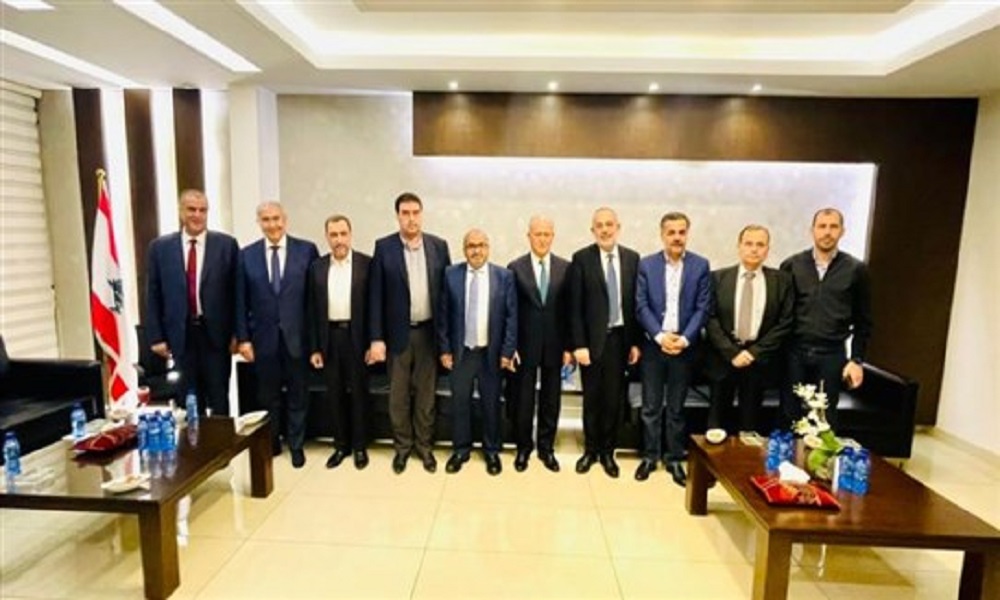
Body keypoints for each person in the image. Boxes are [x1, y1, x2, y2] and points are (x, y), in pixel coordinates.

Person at [369, 192, 451, 474]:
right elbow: (376, 297)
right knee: (398, 397)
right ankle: (402, 448)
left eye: (416, 212)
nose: (411, 218)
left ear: (422, 214)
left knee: (426, 396)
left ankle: (424, 447)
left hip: (429, 334)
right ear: (398, 216)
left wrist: (446, 340)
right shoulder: (384, 247)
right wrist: (376, 338)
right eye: (405, 213)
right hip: (397, 335)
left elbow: (446, 297)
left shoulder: (439, 246)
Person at [236, 201, 319, 468]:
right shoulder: (246, 255)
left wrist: (315, 342)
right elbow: (240, 301)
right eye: (266, 219)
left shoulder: (306, 250)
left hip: (297, 338)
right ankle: (271, 443)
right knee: (267, 396)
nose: (272, 224)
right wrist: (243, 339)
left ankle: (296, 445)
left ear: (285, 219)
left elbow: (314, 301)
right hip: (263, 339)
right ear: (259, 223)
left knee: (298, 394)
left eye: (276, 218)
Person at [145, 189, 239, 415]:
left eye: (202, 210)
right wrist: (156, 336)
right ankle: (194, 438)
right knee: (187, 399)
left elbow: (237, 293)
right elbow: (153, 294)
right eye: (191, 210)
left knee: (219, 397)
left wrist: (238, 334)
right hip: (181, 335)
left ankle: (219, 438)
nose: (197, 215)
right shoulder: (160, 248)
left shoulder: (226, 245)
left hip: (216, 336)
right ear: (181, 212)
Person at [635, 212, 711, 486]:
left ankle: (675, 459)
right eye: (671, 232)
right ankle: (649, 457)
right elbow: (641, 305)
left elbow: (703, 307)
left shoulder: (700, 265)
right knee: (651, 407)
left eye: (681, 232)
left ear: (687, 234)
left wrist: (684, 339)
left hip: (684, 347)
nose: (677, 237)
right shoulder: (647, 265)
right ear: (662, 235)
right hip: (654, 346)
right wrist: (659, 336)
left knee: (677, 408)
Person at [780, 207, 872, 428]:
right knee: (788, 415)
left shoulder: (856, 269)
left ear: (842, 231)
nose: (827, 232)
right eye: (822, 226)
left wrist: (856, 360)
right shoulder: (792, 265)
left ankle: (819, 452)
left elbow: (864, 321)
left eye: (833, 227)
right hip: (794, 352)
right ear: (812, 230)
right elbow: (780, 314)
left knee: (824, 419)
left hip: (831, 355)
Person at [568, 207, 641, 479]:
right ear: (593, 230)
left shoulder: (632, 259)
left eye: (609, 224)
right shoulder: (581, 259)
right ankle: (590, 451)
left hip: (620, 341)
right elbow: (575, 307)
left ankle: (608, 453)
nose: (605, 230)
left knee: (614, 400)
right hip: (591, 343)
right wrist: (578, 345)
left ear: (618, 228)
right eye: (599, 225)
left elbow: (635, 305)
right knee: (592, 399)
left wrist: (635, 343)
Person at [438, 229, 517, 476]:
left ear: (488, 248)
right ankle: (460, 450)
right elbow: (443, 315)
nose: (476, 250)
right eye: (471, 246)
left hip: (490, 354)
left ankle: (491, 451)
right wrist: (444, 349)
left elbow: (511, 318)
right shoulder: (451, 275)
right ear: (464, 250)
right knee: (459, 403)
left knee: (491, 404)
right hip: (461, 353)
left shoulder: (504, 277)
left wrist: (507, 351)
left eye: (481, 245)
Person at [704, 225, 793, 435]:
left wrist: (754, 353)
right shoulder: (717, 278)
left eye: (760, 245)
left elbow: (785, 322)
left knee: (750, 426)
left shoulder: (782, 281)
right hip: (723, 359)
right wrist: (732, 353)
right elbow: (709, 317)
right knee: (716, 425)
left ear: (767, 249)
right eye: (749, 244)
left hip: (759, 361)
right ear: (739, 246)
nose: (754, 249)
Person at [307, 215, 372, 470]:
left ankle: (360, 446)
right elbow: (311, 309)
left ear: (350, 234)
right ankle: (341, 445)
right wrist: (315, 347)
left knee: (359, 394)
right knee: (334, 395)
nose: (339, 240)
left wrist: (373, 342)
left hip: (357, 337)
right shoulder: (317, 267)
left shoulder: (367, 264)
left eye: (343, 234)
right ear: (327, 237)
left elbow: (374, 307)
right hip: (329, 338)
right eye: (333, 235)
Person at [507, 215, 571, 473]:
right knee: (523, 400)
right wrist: (510, 346)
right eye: (537, 234)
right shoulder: (515, 267)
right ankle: (523, 448)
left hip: (556, 345)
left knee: (551, 400)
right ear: (529, 236)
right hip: (524, 346)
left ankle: (546, 449)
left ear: (552, 236)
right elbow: (510, 310)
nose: (542, 239)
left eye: (546, 234)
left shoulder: (566, 268)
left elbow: (570, 312)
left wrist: (569, 347)